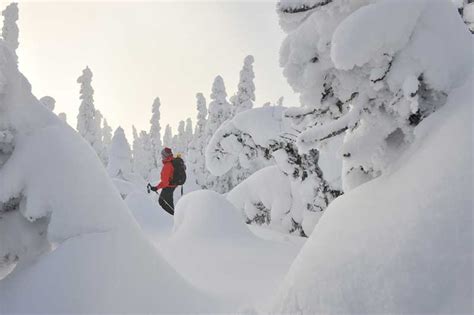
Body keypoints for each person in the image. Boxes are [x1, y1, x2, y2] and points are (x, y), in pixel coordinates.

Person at [150, 147, 176, 215]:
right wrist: (157, 187)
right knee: (169, 202)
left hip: (169, 187)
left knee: (162, 202)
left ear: (165, 156)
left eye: (162, 155)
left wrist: (156, 187)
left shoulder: (167, 165)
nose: (161, 157)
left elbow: (165, 182)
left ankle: (173, 216)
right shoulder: (172, 161)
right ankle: (173, 215)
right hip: (172, 186)